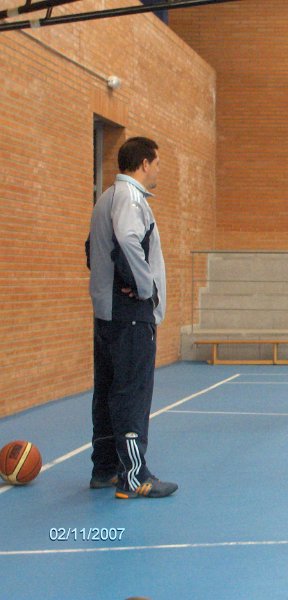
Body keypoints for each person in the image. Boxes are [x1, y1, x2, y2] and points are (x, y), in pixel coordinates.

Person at [86, 136, 177, 499]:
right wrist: (143, 288)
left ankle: (105, 467)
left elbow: (92, 248)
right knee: (131, 394)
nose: (157, 169)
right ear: (143, 163)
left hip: (109, 314)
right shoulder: (129, 197)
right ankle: (135, 475)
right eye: (155, 163)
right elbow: (126, 239)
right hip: (131, 317)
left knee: (108, 391)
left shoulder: (106, 197)